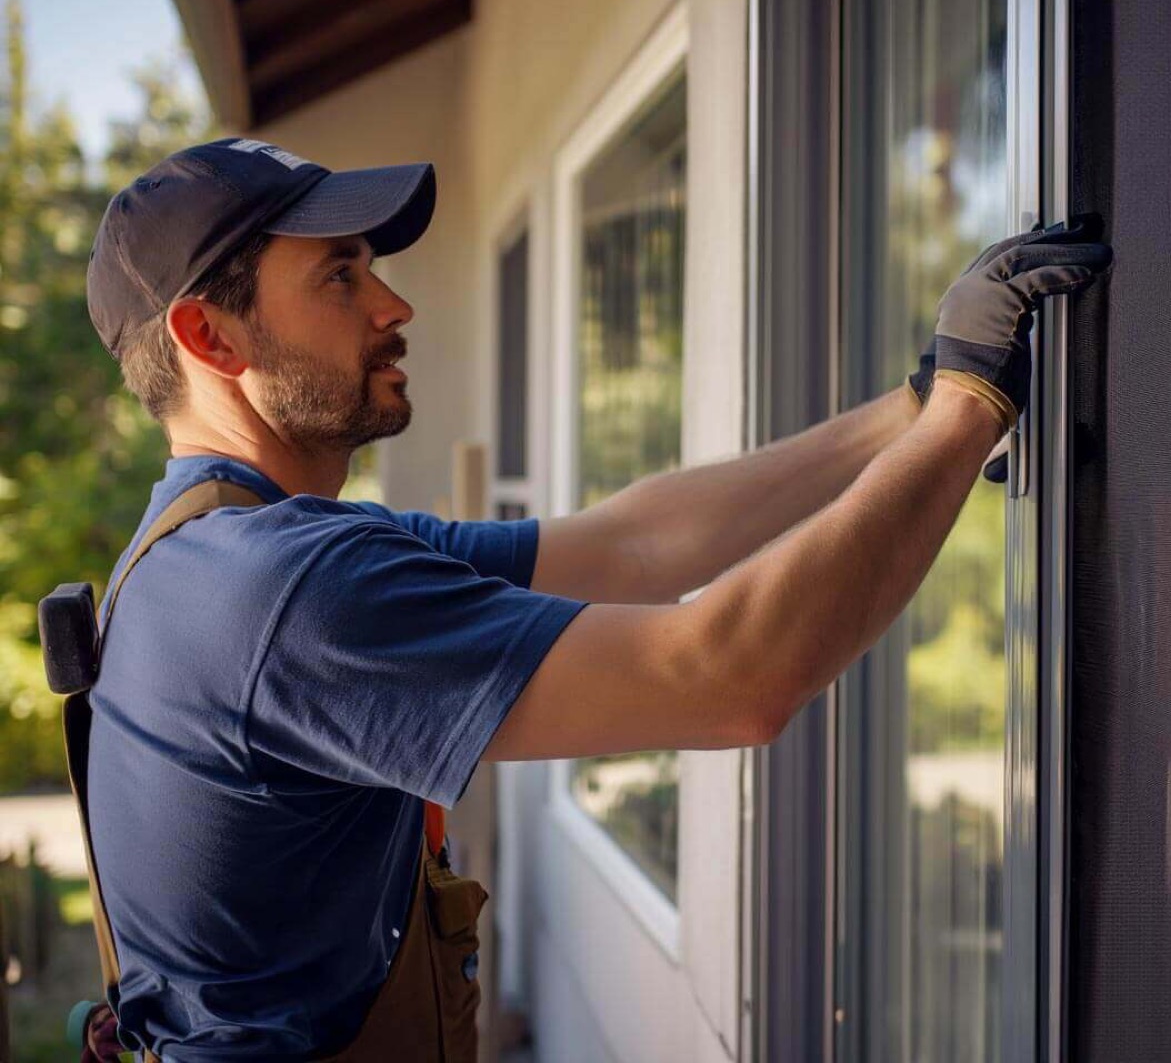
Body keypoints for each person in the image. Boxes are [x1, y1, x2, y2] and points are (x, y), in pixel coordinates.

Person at [79, 137, 1110, 1061]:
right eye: (340, 278)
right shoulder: (284, 590)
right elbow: (729, 677)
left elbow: (635, 543)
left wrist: (916, 407)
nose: (394, 307)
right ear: (211, 338)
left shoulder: (218, 550)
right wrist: (974, 408)